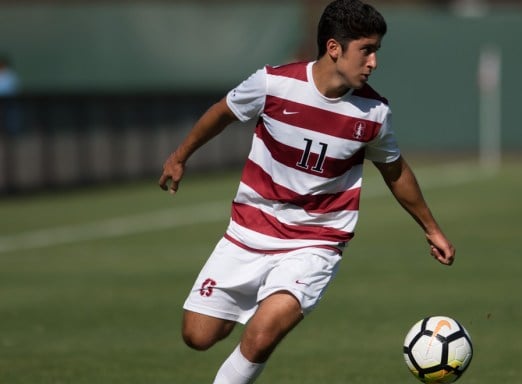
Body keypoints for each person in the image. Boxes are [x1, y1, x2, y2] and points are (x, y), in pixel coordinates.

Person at [158, 0, 455, 383]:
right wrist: (180, 157)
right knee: (197, 336)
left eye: (376, 51)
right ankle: (242, 309)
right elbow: (222, 112)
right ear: (334, 48)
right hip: (248, 231)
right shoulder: (272, 84)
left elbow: (394, 170)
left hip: (316, 242)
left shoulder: (373, 113)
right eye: (366, 50)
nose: (373, 63)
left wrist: (431, 228)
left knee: (262, 334)